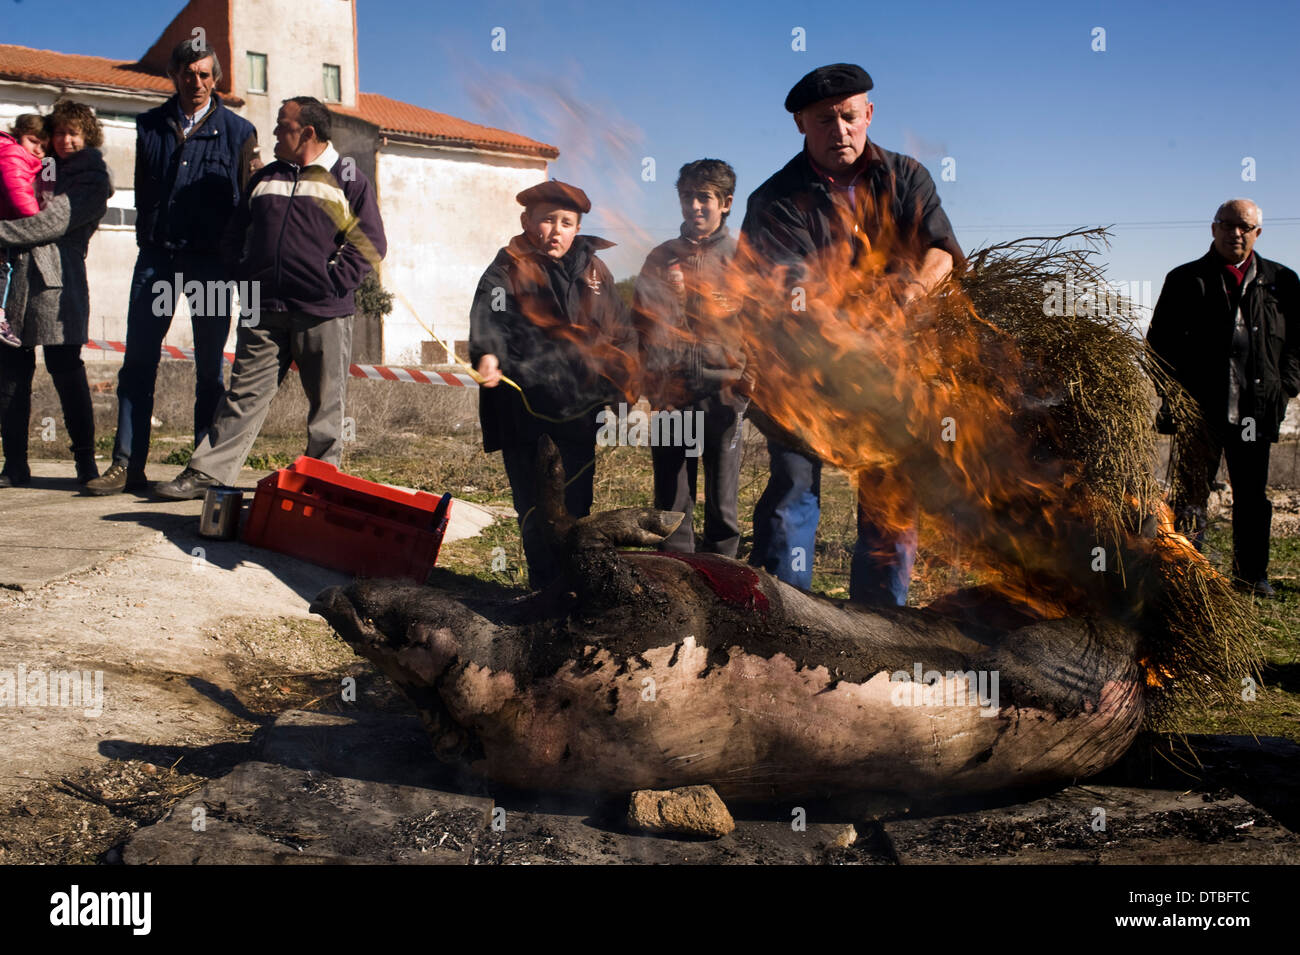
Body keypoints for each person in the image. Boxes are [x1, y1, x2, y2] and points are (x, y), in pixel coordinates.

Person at [741, 63, 963, 606]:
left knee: (891, 499)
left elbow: (941, 252)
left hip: (894, 372)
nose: (839, 130)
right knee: (793, 493)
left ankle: (880, 623)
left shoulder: (906, 176)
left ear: (869, 113)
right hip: (798, 374)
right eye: (823, 120)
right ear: (800, 124)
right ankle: (786, 620)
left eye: (848, 116)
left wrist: (912, 293)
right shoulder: (774, 200)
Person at [155, 96, 386, 501]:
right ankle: (207, 473)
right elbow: (234, 232)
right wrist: (242, 270)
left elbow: (370, 242)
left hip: (323, 313)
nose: (275, 132)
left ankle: (319, 483)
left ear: (307, 133)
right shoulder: (266, 178)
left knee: (326, 407)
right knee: (242, 396)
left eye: (283, 125)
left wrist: (333, 281)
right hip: (263, 309)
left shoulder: (346, 176)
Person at [86, 39, 257, 495]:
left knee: (208, 371)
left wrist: (236, 263)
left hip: (211, 265)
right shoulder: (150, 126)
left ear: (216, 79)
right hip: (158, 260)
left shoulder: (240, 132)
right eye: (188, 72)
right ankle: (127, 465)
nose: (196, 81)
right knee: (137, 363)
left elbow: (245, 206)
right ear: (174, 74)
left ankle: (201, 469)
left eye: (204, 74)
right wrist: (148, 239)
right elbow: (145, 192)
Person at [470, 180, 636, 589]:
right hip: (522, 413)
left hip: (578, 413)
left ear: (577, 227)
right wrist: (489, 355)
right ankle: (541, 589)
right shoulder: (506, 269)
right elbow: (489, 317)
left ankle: (571, 588)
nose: (556, 229)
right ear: (527, 221)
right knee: (533, 506)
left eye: (566, 222)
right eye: (547, 219)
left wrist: (626, 385)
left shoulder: (596, 272)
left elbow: (620, 332)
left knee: (576, 505)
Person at [1147, 199, 1300, 597]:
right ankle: (1186, 572)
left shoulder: (1282, 281)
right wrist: (1175, 398)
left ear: (1258, 233)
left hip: (1256, 410)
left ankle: (1252, 577)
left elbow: (1298, 346)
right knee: (1191, 495)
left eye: (1245, 227)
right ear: (1213, 229)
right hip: (1200, 411)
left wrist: (1285, 388)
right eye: (1228, 225)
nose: (1236, 233)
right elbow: (1157, 347)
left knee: (1252, 497)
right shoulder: (1185, 280)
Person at [632, 159, 746, 556]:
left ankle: (722, 575)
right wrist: (648, 381)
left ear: (726, 203)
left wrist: (747, 377)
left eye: (705, 198)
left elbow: (763, 325)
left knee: (723, 496)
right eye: (687, 197)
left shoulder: (742, 259)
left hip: (725, 389)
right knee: (671, 493)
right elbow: (640, 325)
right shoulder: (661, 257)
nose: (694, 206)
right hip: (671, 390)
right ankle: (676, 573)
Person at [0, 102, 112, 488]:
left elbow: (52, 222)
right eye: (59, 132)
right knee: (11, 373)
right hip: (14, 278)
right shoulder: (39, 165)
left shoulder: (92, 177)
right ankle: (14, 465)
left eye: (74, 133)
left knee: (66, 368)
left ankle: (86, 463)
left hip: (59, 280)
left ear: (88, 136)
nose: (65, 140)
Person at [1, 114, 51, 347]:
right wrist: (38, 218)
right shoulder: (13, 154)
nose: (39, 150)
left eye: (44, 146)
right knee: (3, 271)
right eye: (33, 141)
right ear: (19, 134)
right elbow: (18, 195)